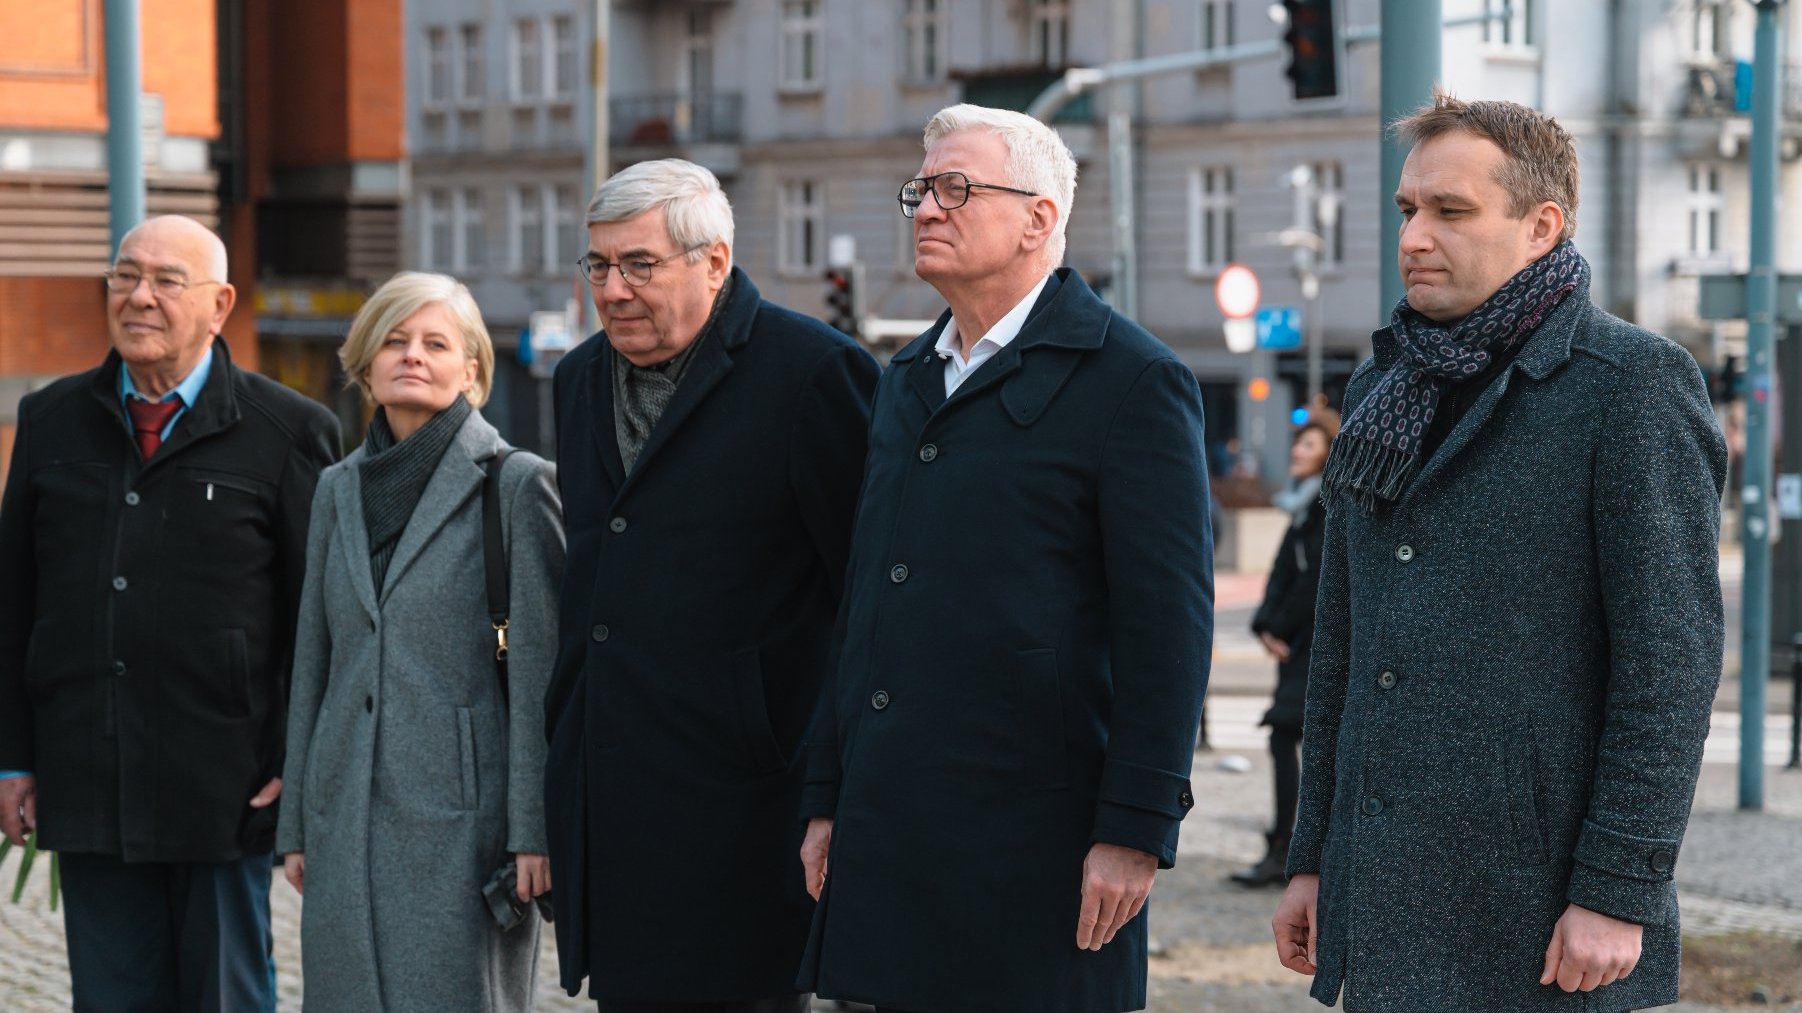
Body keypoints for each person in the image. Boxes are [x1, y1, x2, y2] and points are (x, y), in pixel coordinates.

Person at [1271, 91, 1727, 1012]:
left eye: (1451, 211)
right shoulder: (1381, 383)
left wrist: (1618, 890)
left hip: (1544, 911)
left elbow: (1669, 665)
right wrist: (1314, 854)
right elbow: (1345, 645)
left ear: (1540, 226)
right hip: (1385, 894)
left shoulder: (1629, 384)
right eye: (1407, 210)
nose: (1414, 237)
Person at [797, 104, 1214, 1013]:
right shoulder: (907, 376)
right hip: (896, 821)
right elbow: (867, 599)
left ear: (1039, 218)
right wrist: (829, 792)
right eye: (922, 190)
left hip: (1039, 836)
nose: (928, 209)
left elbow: (1168, 629)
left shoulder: (1132, 381)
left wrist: (1135, 831)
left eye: (957, 189)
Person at [542, 158, 877, 1012]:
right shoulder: (578, 378)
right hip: (612, 789)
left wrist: (833, 787)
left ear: (715, 261)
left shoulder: (813, 372)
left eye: (639, 264)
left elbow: (867, 598)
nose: (612, 289)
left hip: (745, 804)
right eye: (599, 265)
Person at [0, 214, 340, 1012]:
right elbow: (13, 599)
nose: (139, 296)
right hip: (88, 774)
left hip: (225, 786)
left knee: (226, 996)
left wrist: (302, 756)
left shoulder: (289, 431)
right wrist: (14, 757)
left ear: (220, 304)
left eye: (165, 280)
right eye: (125, 276)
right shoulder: (50, 420)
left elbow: (319, 617)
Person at [274, 271, 563, 1011]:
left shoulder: (517, 484)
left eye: (437, 343)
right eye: (395, 340)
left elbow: (538, 677)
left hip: (464, 818)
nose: (413, 355)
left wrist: (535, 828)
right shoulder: (338, 487)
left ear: (471, 369)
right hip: (346, 809)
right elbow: (316, 657)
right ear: (366, 362)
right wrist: (299, 819)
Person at [1230, 414, 1335, 888]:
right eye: (1297, 444)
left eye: (1308, 444)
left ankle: (1290, 851)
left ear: (1329, 450)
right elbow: (1280, 570)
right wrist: (1263, 624)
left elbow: (1314, 579)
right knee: (1296, 741)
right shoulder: (1301, 505)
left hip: (1314, 646)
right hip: (1297, 645)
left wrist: (1282, 628)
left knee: (1286, 736)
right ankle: (1293, 850)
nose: (1297, 451)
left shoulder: (1327, 503)